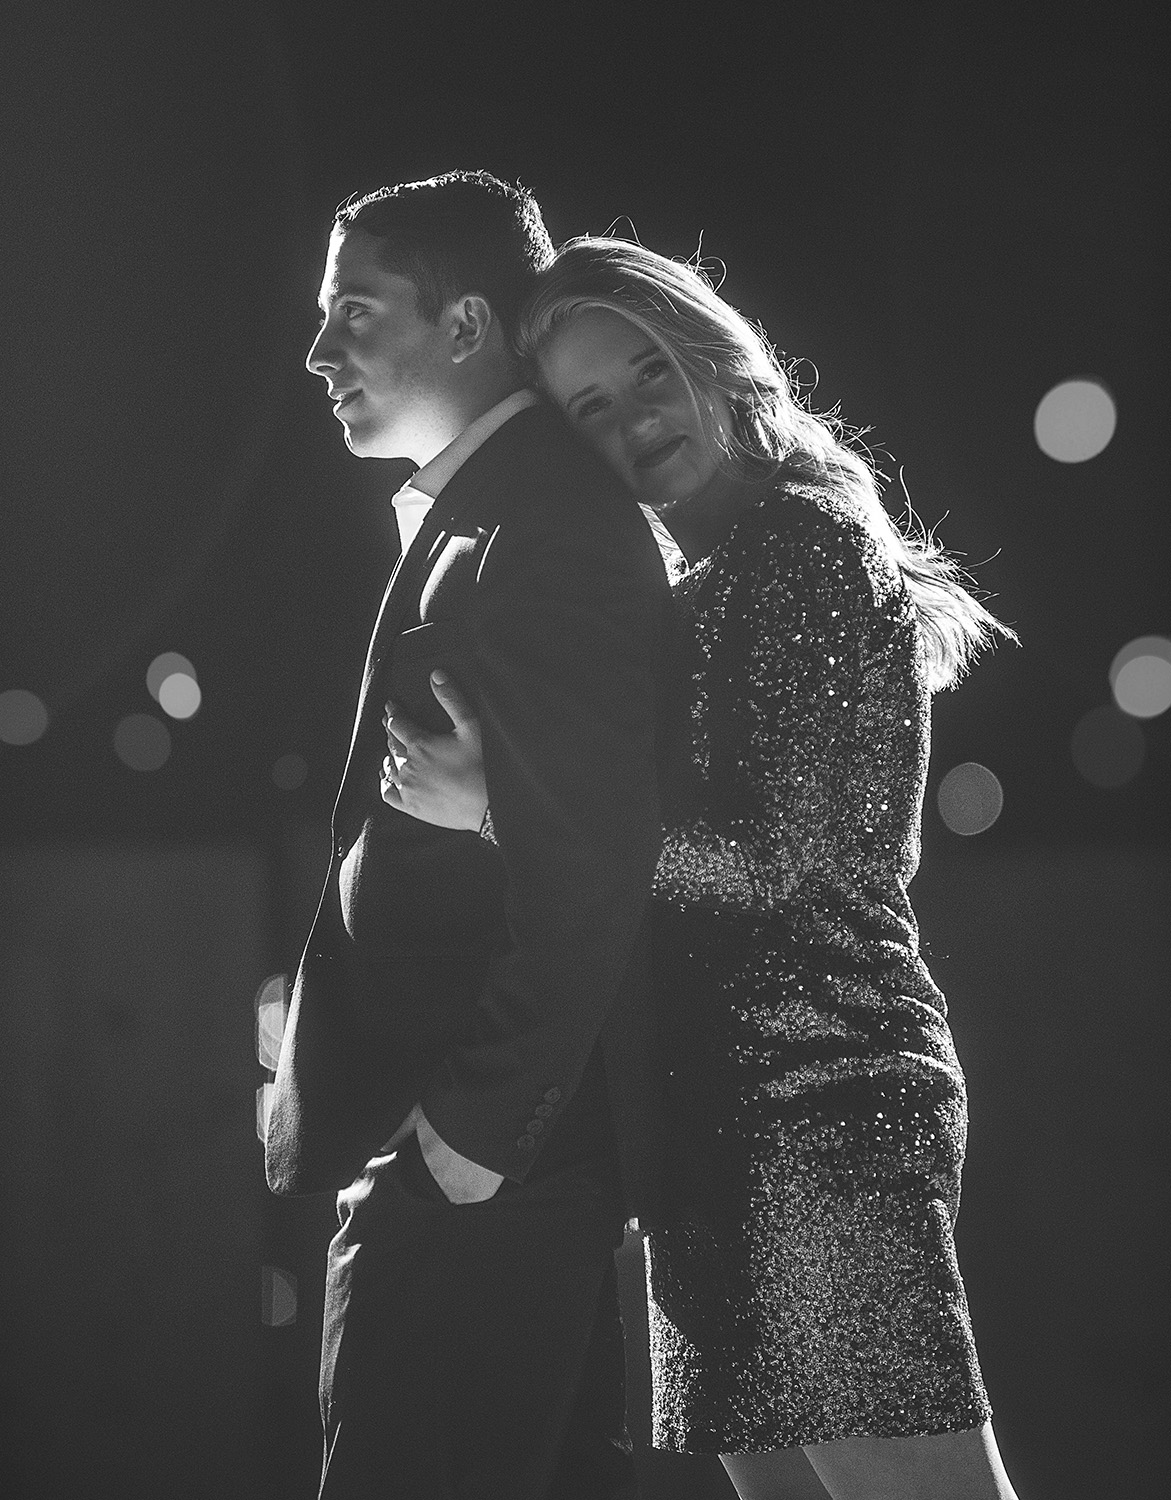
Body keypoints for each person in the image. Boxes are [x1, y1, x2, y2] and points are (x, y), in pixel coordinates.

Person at [379, 236, 1025, 1500]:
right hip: (719, 1125)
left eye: (647, 373)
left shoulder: (797, 546)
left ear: (714, 365)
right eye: (592, 408)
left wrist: (499, 808)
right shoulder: (719, 572)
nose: (635, 418)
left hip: (815, 1105)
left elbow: (772, 867)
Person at [265, 178, 677, 1500]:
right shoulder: (494, 507)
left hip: (487, 1164)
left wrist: (468, 1139)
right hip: (466, 1159)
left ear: (463, 328)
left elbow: (592, 868)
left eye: (354, 313)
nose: (319, 352)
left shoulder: (545, 522)